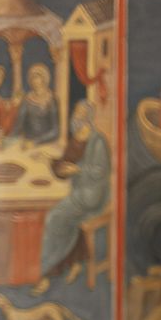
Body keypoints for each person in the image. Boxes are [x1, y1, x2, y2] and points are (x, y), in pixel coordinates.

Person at [36, 101, 111, 294]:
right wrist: (50, 161)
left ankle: (47, 271)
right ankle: (75, 261)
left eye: (81, 114)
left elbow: (100, 171)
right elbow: (64, 166)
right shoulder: (76, 138)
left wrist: (77, 170)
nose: (77, 117)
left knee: (54, 218)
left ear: (89, 117)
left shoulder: (97, 141)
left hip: (92, 194)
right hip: (78, 192)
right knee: (67, 218)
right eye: (76, 113)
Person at [13, 63, 60, 147]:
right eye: (32, 78)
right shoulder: (26, 100)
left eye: (37, 77)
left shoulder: (51, 100)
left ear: (44, 79)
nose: (34, 81)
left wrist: (35, 142)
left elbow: (55, 131)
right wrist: (8, 140)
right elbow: (18, 126)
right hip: (27, 143)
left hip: (45, 144)